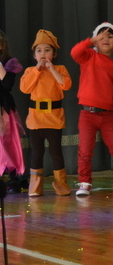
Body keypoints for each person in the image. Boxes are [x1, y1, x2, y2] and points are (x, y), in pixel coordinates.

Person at [71, 22, 113, 197]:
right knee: (85, 151)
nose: (106, 39)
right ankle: (85, 183)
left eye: (110, 37)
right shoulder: (88, 56)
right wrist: (91, 40)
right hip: (87, 114)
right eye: (102, 36)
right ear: (95, 41)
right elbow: (74, 52)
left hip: (107, 115)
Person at [20, 30, 72, 196]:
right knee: (37, 152)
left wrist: (52, 70)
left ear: (54, 54)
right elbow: (25, 88)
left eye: (47, 50)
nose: (43, 54)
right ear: (34, 55)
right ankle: (35, 186)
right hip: (36, 119)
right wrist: (37, 70)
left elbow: (66, 85)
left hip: (54, 118)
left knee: (56, 152)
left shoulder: (61, 69)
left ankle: (61, 184)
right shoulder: (30, 71)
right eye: (39, 51)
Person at [0, 30, 25, 192]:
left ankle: (14, 177)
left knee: (7, 143)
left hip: (3, 108)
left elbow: (7, 85)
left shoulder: (9, 63)